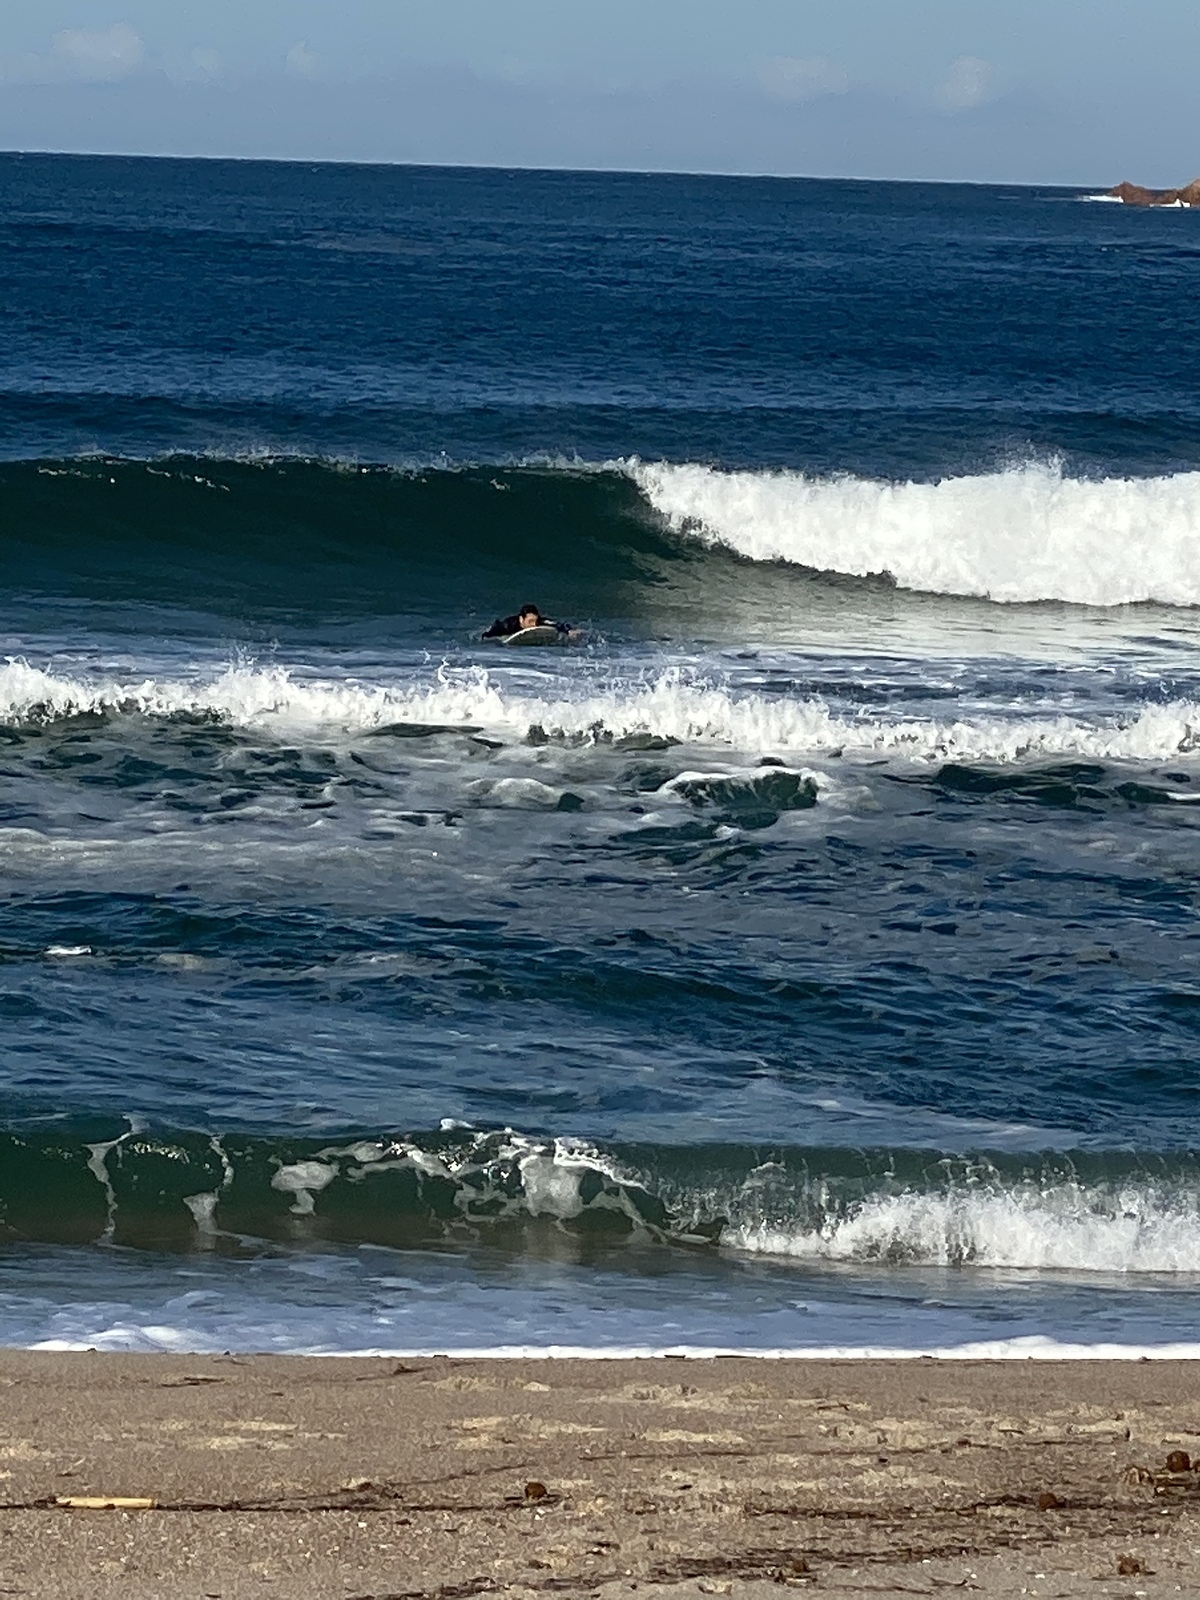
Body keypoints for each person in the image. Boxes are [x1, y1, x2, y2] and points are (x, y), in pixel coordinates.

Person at [482, 604, 572, 639]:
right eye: (530, 621)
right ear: (522, 619)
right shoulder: (508, 625)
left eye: (535, 621)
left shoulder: (539, 622)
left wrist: (569, 631)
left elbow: (558, 624)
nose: (534, 625)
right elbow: (487, 635)